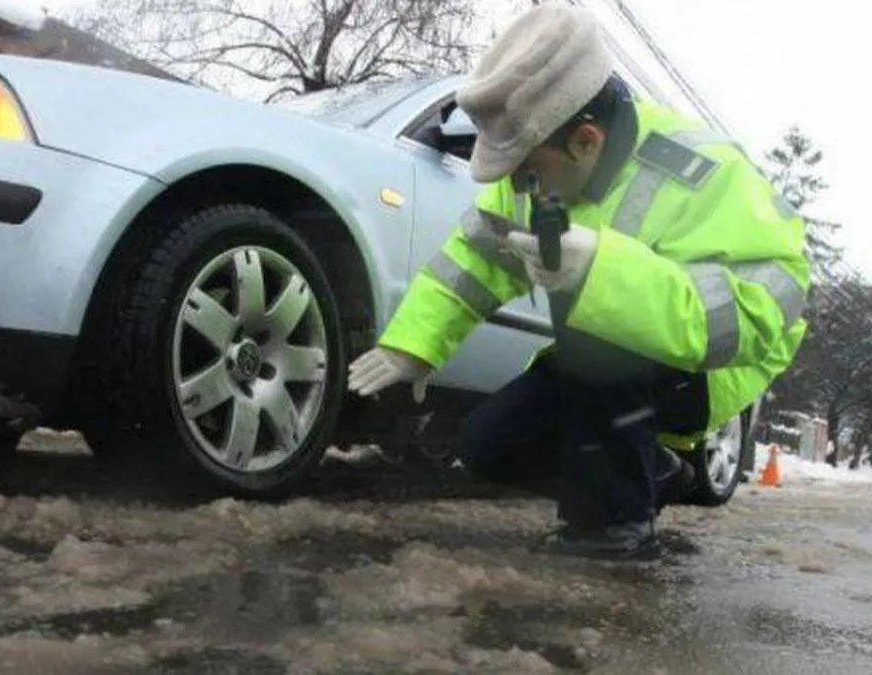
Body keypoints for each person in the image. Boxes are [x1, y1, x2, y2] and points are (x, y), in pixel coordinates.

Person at [347, 3, 810, 559]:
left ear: (585, 141)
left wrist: (601, 273)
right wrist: (412, 347)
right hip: (599, 366)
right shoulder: (534, 176)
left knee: (599, 335)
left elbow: (759, 316)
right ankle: (653, 475)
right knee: (486, 445)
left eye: (526, 168)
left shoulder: (705, 171)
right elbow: (473, 263)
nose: (516, 185)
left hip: (712, 368)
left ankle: (614, 528)